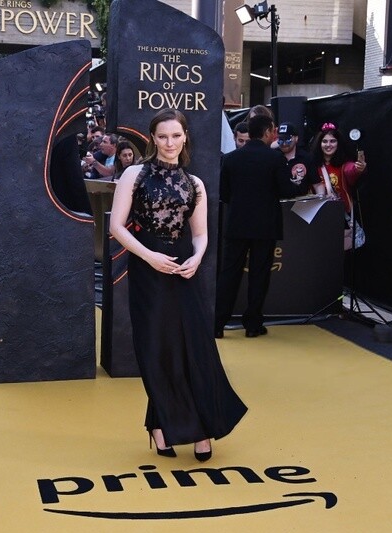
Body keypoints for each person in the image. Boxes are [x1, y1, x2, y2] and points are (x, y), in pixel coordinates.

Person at [109, 108, 247, 462]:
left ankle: (200, 428)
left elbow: (200, 234)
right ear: (153, 139)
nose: (169, 143)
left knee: (195, 348)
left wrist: (197, 258)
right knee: (157, 349)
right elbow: (116, 227)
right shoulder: (134, 174)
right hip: (148, 271)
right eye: (163, 136)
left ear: (185, 137)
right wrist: (149, 257)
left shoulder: (194, 183)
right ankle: (162, 426)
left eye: (175, 135)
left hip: (185, 271)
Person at [214, 114, 305, 338]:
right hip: (265, 226)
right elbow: (285, 190)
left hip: (237, 224)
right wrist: (299, 185)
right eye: (273, 130)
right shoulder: (274, 158)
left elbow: (224, 193)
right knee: (259, 274)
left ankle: (217, 324)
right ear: (266, 132)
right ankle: (253, 324)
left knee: (229, 273)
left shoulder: (231, 159)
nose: (274, 134)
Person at [309, 122, 367, 249]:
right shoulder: (312, 165)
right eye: (325, 141)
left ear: (338, 143)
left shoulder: (344, 165)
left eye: (332, 141)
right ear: (319, 144)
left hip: (340, 217)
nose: (328, 145)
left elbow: (351, 170)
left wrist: (359, 168)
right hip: (317, 217)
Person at [276, 122, 319, 193]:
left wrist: (321, 198)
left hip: (301, 199)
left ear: (296, 138)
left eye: (287, 139)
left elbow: (317, 184)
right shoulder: (273, 157)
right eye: (281, 139)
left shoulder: (306, 158)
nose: (284, 143)